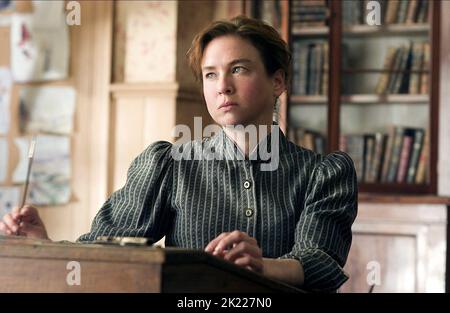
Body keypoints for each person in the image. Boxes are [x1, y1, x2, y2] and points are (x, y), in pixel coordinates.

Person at [0, 16, 357, 292]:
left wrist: (261, 264)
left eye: (238, 69)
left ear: (278, 81)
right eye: (210, 75)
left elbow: (320, 262)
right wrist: (42, 244)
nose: (223, 87)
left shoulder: (324, 173)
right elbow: (105, 251)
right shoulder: (169, 166)